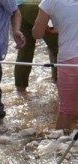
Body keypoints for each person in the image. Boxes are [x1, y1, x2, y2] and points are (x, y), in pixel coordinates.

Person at [34, 0, 78, 130]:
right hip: (70, 59)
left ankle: (59, 147)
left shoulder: (50, 2)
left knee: (66, 110)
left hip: (69, 60)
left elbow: (37, 34)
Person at [15, 0, 59, 93]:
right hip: (39, 6)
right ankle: (59, 84)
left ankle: (20, 90)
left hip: (20, 6)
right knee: (59, 49)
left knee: (25, 50)